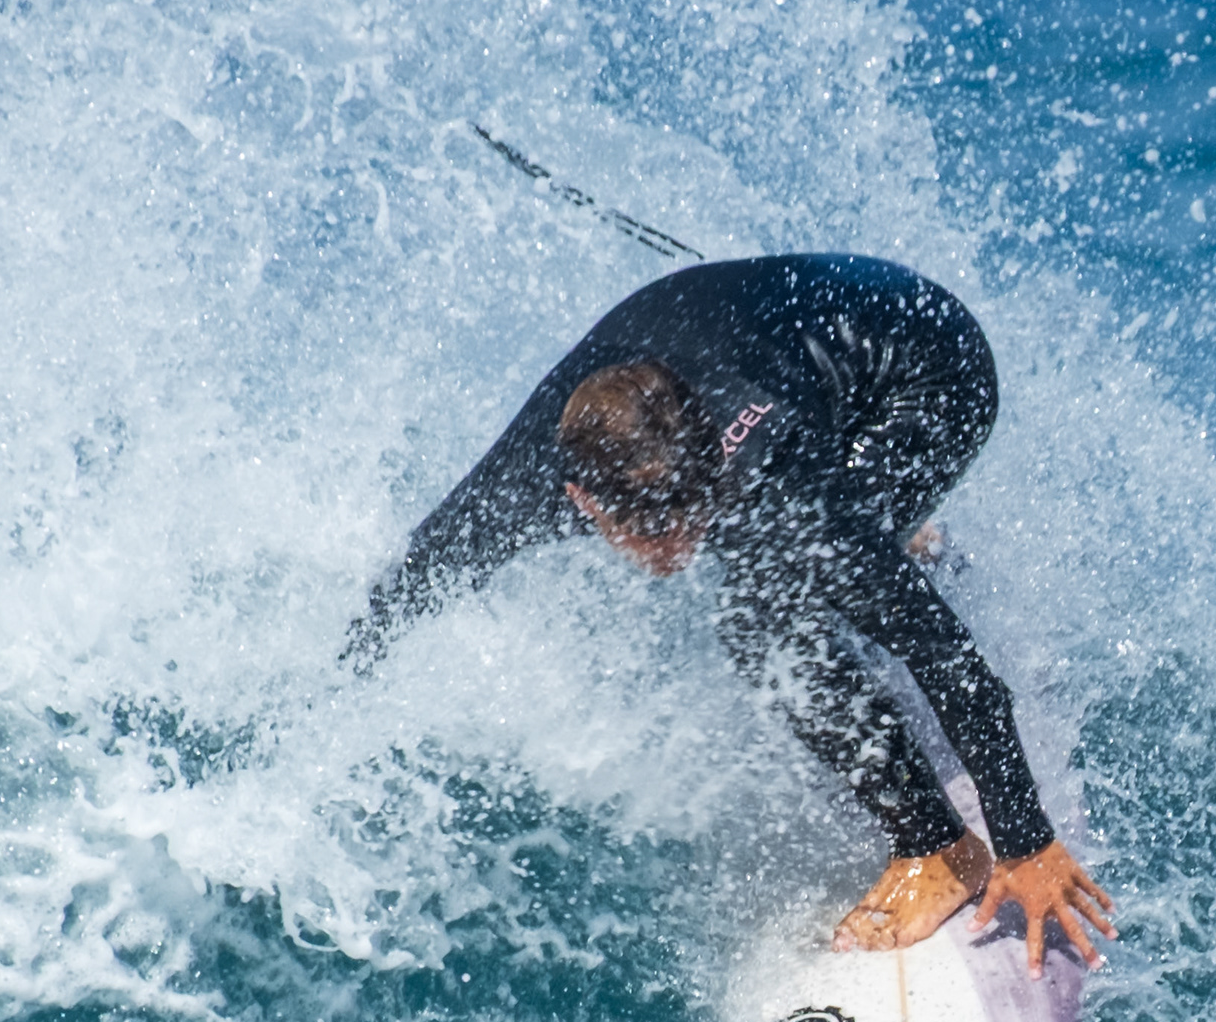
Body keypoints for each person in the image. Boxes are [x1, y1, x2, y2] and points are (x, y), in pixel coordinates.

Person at [341, 254, 1115, 968]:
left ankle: (936, 849)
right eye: (649, 529)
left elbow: (943, 651)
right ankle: (882, 533)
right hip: (776, 360)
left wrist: (1024, 839)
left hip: (926, 368)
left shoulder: (758, 458)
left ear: (707, 453)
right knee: (800, 554)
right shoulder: (526, 485)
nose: (676, 544)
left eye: (691, 511)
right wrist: (337, 688)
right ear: (580, 501)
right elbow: (414, 577)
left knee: (763, 614)